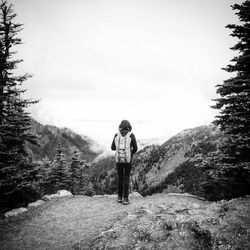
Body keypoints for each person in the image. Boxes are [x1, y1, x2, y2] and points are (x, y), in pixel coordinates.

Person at [111, 120, 138, 205]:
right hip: (127, 160)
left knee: (120, 177)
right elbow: (136, 148)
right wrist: (130, 153)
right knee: (126, 177)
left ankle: (119, 197)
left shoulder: (116, 135)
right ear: (129, 127)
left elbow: (112, 148)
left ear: (120, 127)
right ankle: (125, 199)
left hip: (118, 160)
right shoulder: (131, 135)